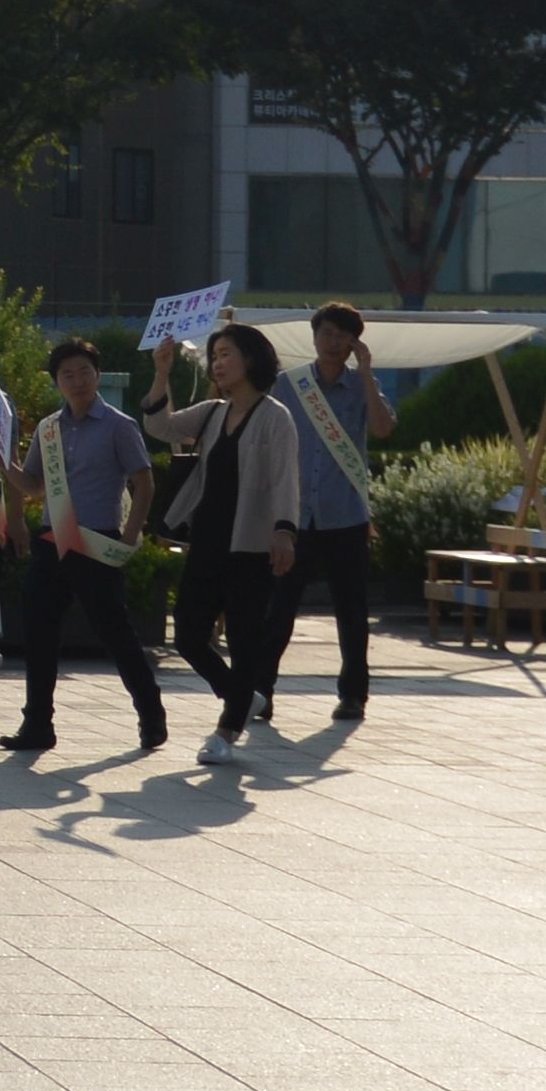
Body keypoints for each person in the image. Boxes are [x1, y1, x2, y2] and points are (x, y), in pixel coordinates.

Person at [2, 337, 167, 759]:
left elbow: (144, 482)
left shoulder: (118, 425)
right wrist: (6, 466)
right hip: (51, 541)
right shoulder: (49, 428)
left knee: (115, 632)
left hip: (97, 541)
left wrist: (130, 535)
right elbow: (35, 486)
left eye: (84, 372)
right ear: (56, 381)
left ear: (97, 375)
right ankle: (37, 723)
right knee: (39, 633)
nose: (77, 381)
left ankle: (150, 712)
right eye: (67, 374)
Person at [167, 324, 313, 763]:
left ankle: (227, 730)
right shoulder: (213, 412)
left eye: (226, 353)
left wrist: (284, 531)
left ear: (250, 359)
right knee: (188, 634)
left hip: (251, 543)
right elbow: (160, 425)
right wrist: (161, 373)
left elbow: (286, 479)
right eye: (214, 356)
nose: (218, 363)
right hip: (208, 540)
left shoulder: (275, 416)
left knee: (244, 637)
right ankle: (241, 695)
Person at [290, 302, 396, 724]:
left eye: (342, 336)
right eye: (327, 333)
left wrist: (367, 374)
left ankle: (353, 696)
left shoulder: (362, 386)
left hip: (346, 516)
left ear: (354, 343)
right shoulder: (291, 385)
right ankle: (260, 690)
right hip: (295, 515)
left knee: (352, 612)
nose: (333, 342)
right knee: (278, 608)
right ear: (314, 336)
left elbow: (383, 428)